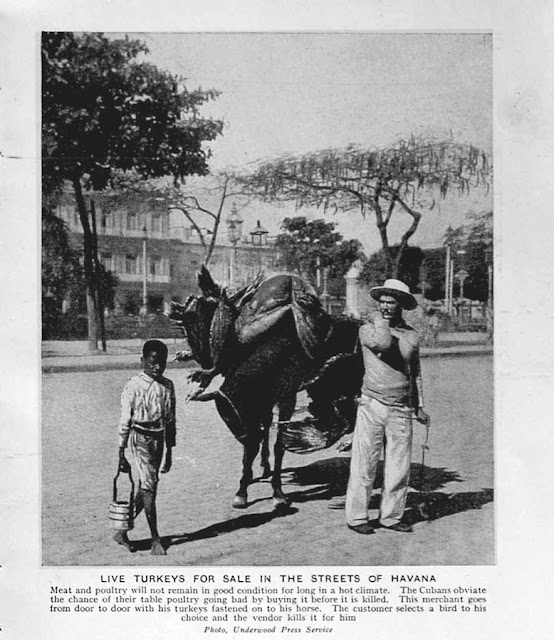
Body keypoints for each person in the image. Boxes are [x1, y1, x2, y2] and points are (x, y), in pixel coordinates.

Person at [345, 279, 429, 535]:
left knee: (398, 467)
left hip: (401, 408)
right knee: (365, 463)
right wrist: (380, 322)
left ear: (401, 305)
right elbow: (382, 346)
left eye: (391, 302)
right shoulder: (368, 330)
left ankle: (391, 517)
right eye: (382, 301)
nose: (385, 306)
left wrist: (420, 406)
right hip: (372, 404)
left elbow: (414, 372)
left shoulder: (411, 335)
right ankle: (358, 517)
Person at [114, 339, 176, 555]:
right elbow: (125, 420)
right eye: (152, 363)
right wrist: (121, 451)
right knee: (149, 486)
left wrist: (169, 450)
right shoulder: (133, 386)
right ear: (142, 361)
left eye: (161, 363)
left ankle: (121, 530)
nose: (157, 367)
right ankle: (155, 539)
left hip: (158, 439)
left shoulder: (168, 386)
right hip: (138, 437)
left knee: (148, 487)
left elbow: (170, 420)